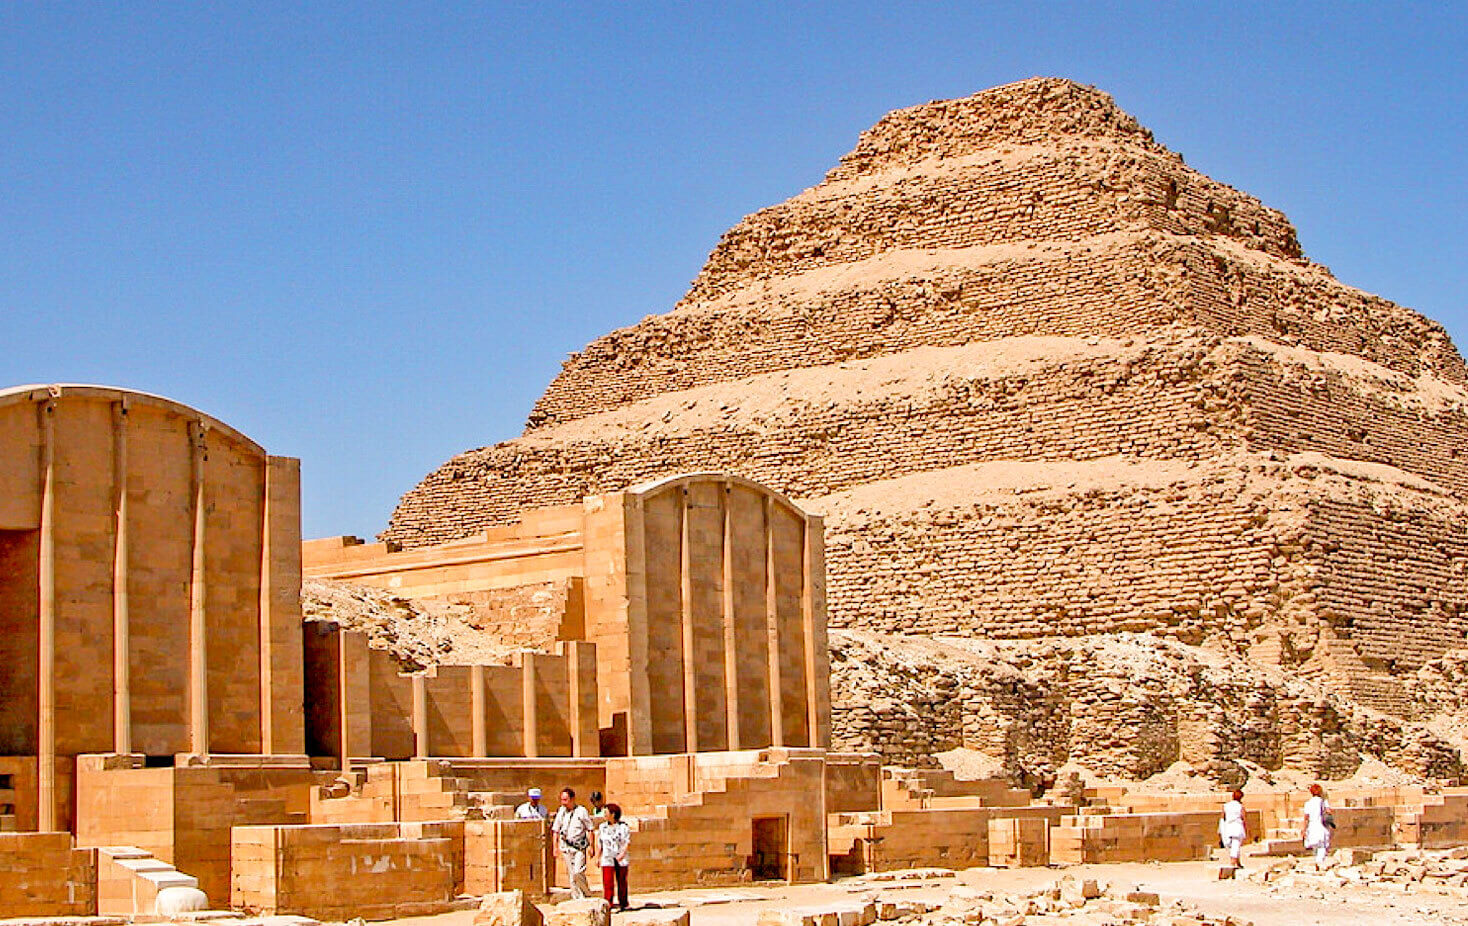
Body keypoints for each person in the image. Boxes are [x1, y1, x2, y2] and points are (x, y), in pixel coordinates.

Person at [552, 787, 594, 899]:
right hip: (566, 846)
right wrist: (555, 847)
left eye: (565, 800)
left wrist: (591, 846)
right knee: (571, 875)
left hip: (579, 846)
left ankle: (586, 893)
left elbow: (590, 828)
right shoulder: (561, 812)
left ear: (572, 799)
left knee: (578, 872)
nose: (563, 803)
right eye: (562, 800)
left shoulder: (581, 811)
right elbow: (556, 830)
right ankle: (577, 897)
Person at [594, 802, 631, 911]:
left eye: (606, 812)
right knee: (608, 881)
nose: (604, 815)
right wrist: (597, 857)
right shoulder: (602, 827)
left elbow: (626, 842)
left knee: (622, 881)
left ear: (613, 814)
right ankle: (608, 903)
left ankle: (623, 902)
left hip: (620, 857)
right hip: (607, 856)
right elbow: (600, 843)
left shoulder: (623, 827)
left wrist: (622, 854)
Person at [1301, 783, 1334, 868]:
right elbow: (1329, 811)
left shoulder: (1308, 803)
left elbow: (1306, 818)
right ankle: (1319, 863)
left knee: (1315, 846)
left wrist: (1304, 830)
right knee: (1322, 846)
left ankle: (1317, 862)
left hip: (1312, 827)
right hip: (1321, 826)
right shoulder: (1322, 802)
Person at [1218, 788, 1247, 868]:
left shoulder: (1226, 806)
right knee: (1236, 845)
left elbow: (1222, 817)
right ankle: (1232, 862)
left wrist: (1221, 829)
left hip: (1228, 827)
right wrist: (1246, 829)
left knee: (1234, 845)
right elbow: (1244, 818)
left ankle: (1238, 863)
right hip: (1237, 827)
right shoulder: (1240, 807)